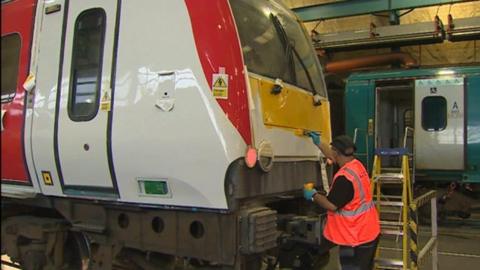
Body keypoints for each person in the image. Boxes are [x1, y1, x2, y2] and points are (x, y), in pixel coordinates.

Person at [303, 133, 380, 270]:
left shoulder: (344, 178)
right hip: (368, 232)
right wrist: (319, 142)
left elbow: (331, 205)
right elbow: (333, 155)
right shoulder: (357, 166)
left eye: (333, 150)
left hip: (354, 238)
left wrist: (313, 194)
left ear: (338, 153)